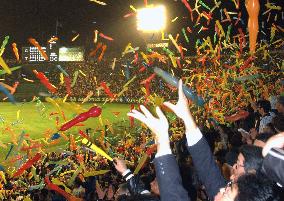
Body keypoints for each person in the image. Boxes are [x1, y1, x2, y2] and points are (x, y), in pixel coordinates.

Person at [128, 80, 277, 201]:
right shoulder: (235, 191)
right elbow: (207, 167)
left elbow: (175, 195)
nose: (222, 188)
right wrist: (186, 116)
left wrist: (162, 140)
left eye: (238, 165)